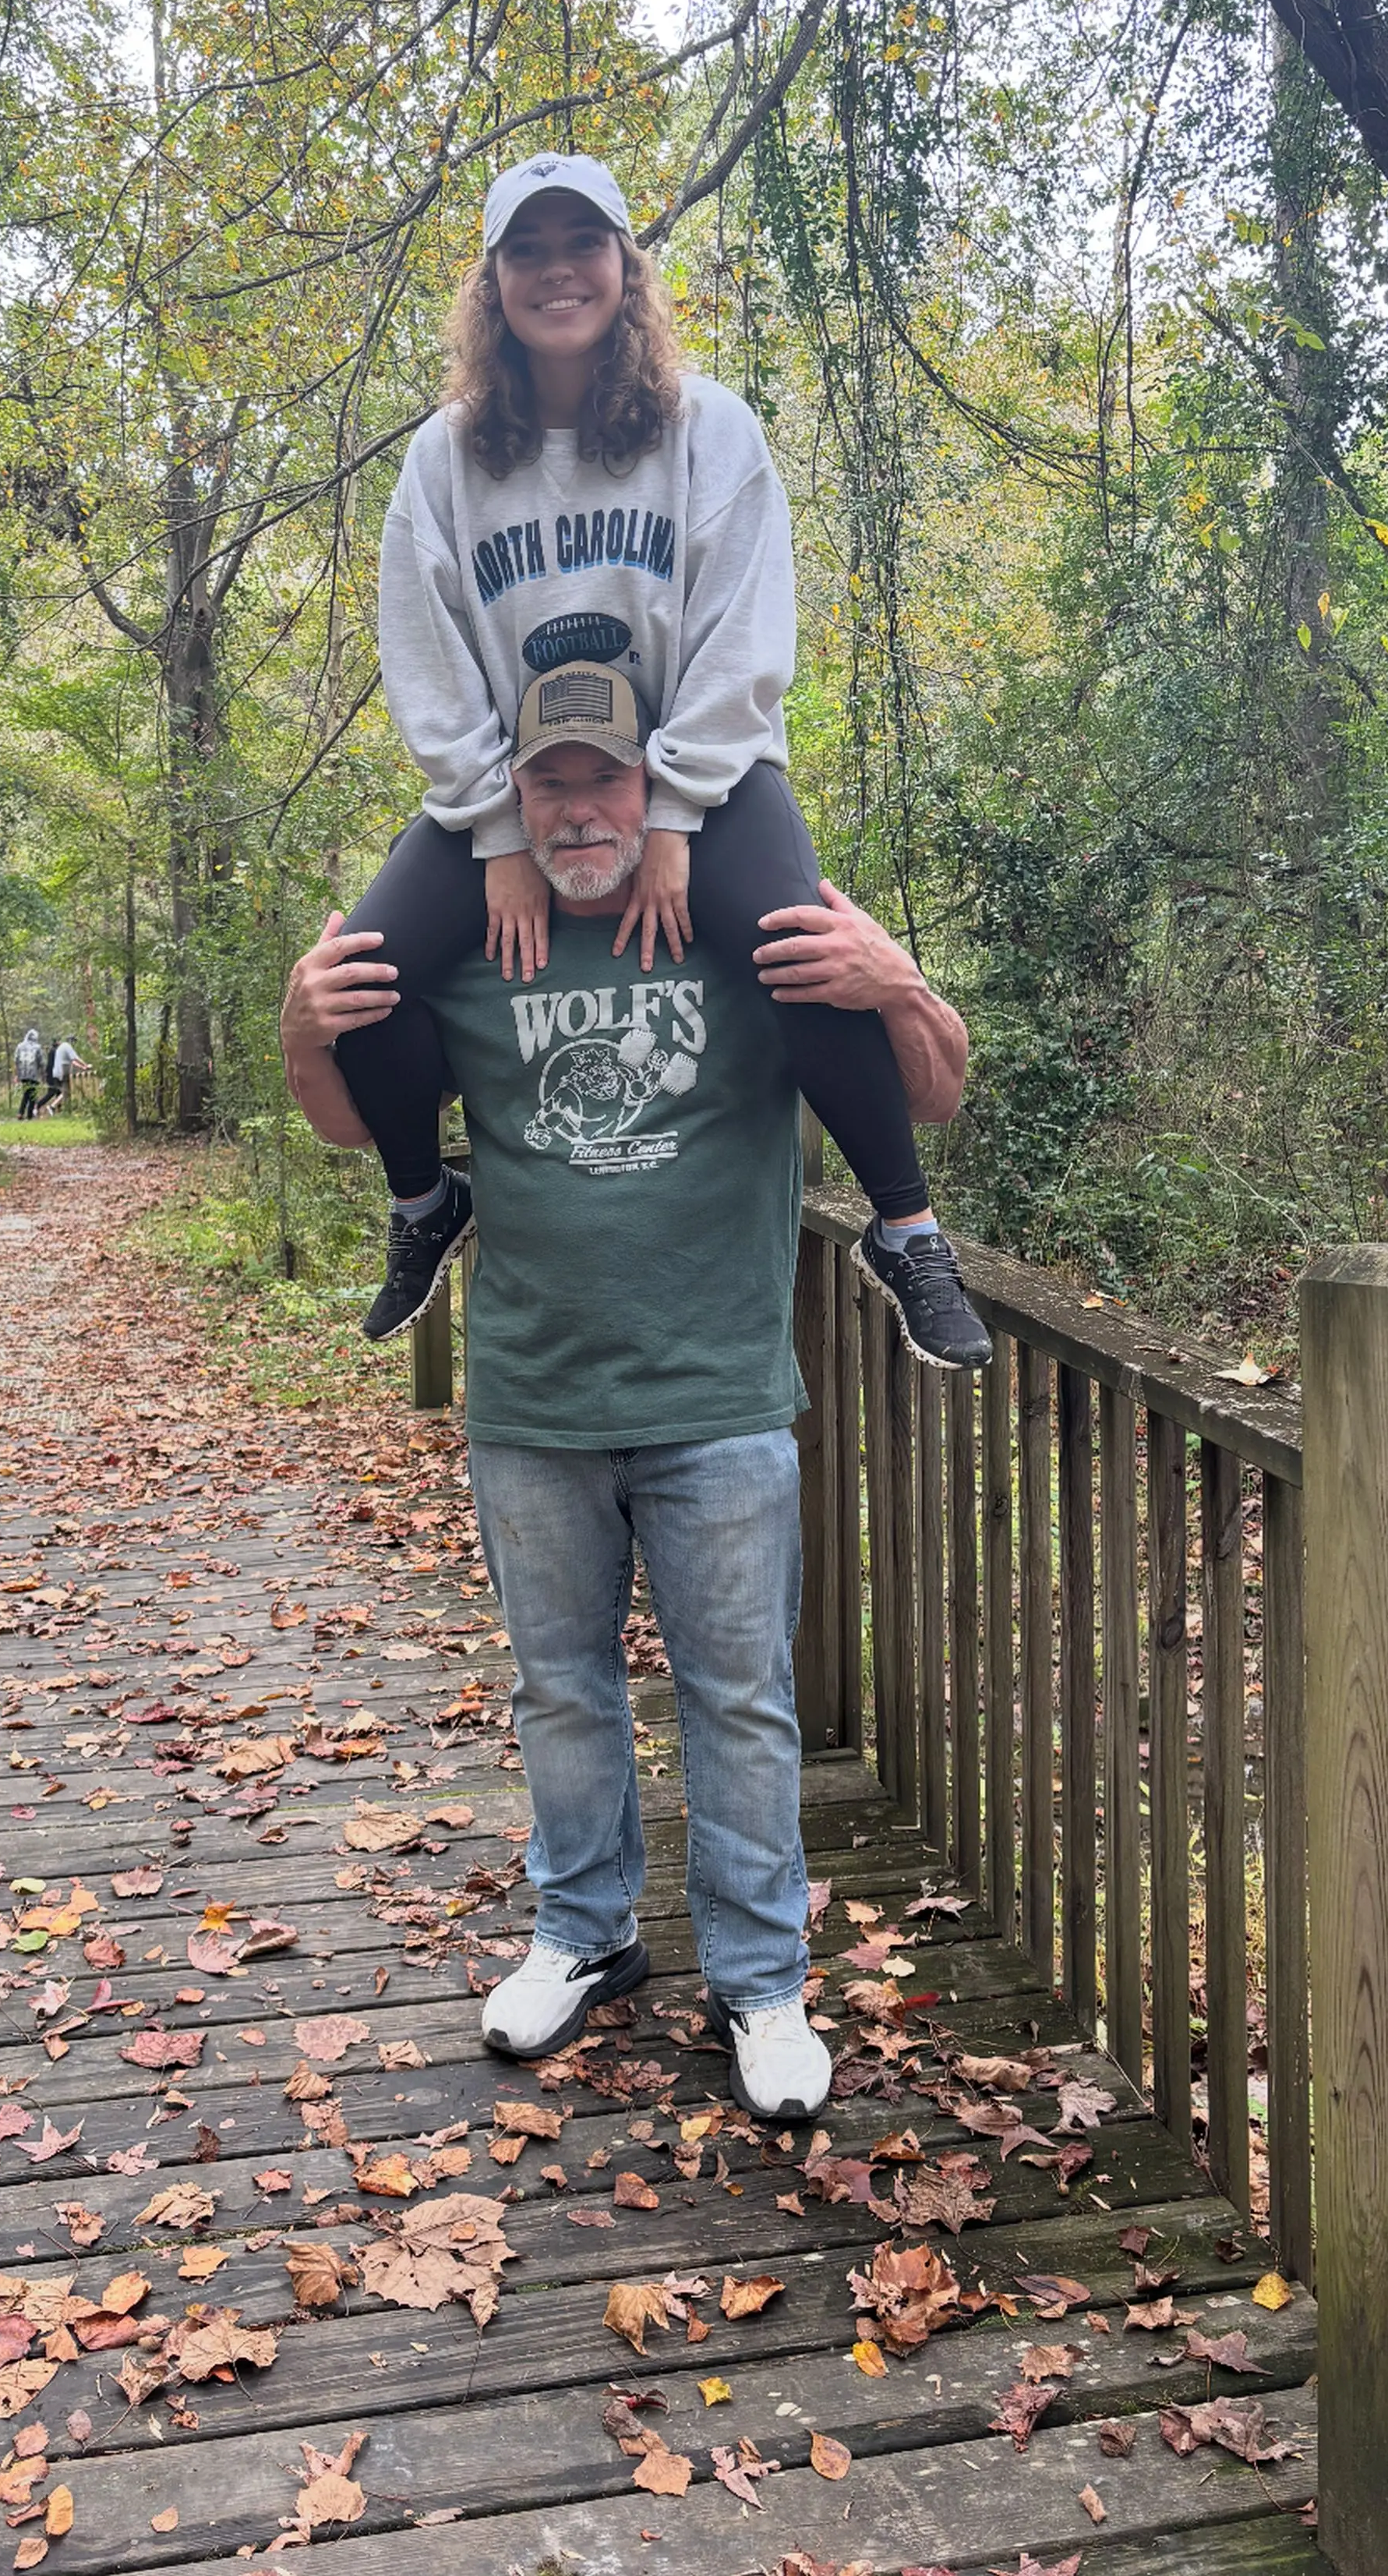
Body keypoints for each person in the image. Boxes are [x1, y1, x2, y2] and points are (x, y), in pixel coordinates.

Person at [280, 696, 969, 2122]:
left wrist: (899, 982)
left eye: (607, 783)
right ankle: (583, 1938)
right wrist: (301, 1030)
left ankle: (763, 1983)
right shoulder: (471, 946)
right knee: (562, 1691)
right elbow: (354, 1116)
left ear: (657, 789)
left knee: (741, 1700)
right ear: (512, 803)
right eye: (552, 787)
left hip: (717, 1390)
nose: (580, 811)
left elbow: (936, 1095)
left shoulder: (743, 935)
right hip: (534, 1396)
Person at [334, 147, 988, 1376]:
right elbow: (425, 658)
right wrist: (495, 836)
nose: (556, 271)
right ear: (492, 286)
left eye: (583, 244)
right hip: (517, 783)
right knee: (361, 972)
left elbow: (746, 632)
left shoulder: (708, 428)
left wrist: (679, 812)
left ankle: (907, 1232)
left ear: (626, 270)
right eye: (525, 250)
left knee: (804, 944)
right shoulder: (447, 457)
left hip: (703, 771)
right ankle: (426, 1200)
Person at [13, 1026, 44, 1122]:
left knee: (26, 1093)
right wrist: (43, 1074)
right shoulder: (37, 1047)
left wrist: (16, 1074)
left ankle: (20, 1113)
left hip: (23, 1074)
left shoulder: (20, 1046)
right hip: (33, 1074)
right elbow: (41, 1062)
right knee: (32, 1095)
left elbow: (16, 1060)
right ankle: (29, 1115)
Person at [46, 1034, 83, 1115]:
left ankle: (57, 1107)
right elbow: (75, 1059)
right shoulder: (67, 1046)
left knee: (66, 1091)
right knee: (68, 1091)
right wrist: (85, 1066)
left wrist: (81, 1066)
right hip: (62, 1072)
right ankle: (56, 1106)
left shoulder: (62, 1047)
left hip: (59, 1071)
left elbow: (73, 1061)